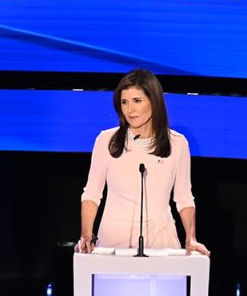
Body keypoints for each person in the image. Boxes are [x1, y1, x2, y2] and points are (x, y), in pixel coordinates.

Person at [76, 68, 209, 255]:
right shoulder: (107, 140)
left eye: (137, 101)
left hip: (162, 245)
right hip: (113, 246)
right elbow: (91, 194)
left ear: (154, 102)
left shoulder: (177, 143)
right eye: (124, 102)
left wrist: (191, 238)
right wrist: (86, 235)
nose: (130, 110)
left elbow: (184, 198)